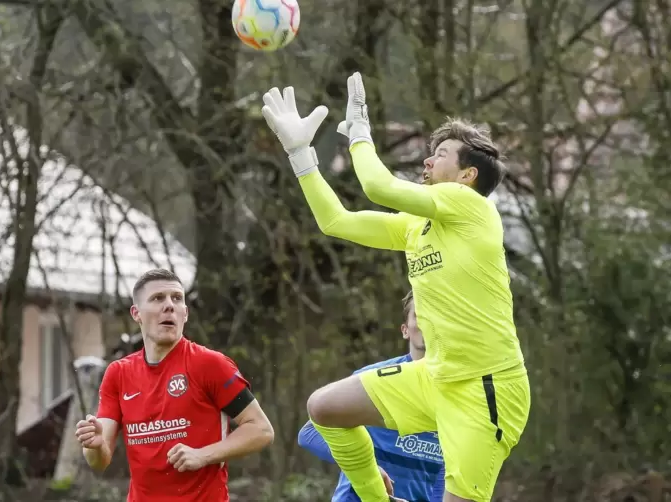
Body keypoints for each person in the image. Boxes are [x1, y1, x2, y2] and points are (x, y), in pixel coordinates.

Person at [260, 73, 531, 502]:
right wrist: (300, 154)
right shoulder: (416, 227)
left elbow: (377, 186)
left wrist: (361, 131)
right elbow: (336, 221)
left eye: (439, 154)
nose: (427, 162)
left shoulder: (471, 207)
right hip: (435, 377)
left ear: (467, 175)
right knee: (326, 409)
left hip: (485, 389)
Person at [74, 268, 275, 502]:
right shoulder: (118, 373)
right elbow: (99, 462)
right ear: (136, 313)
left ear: (185, 313)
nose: (169, 305)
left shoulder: (210, 365)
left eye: (177, 298)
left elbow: (261, 429)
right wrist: (95, 446)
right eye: (158, 298)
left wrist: (203, 455)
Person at [298, 290, 445, 502]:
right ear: (405, 330)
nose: (427, 322)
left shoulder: (457, 391)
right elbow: (309, 433)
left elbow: (445, 467)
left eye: (436, 316)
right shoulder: (371, 379)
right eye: (420, 315)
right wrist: (367, 468)